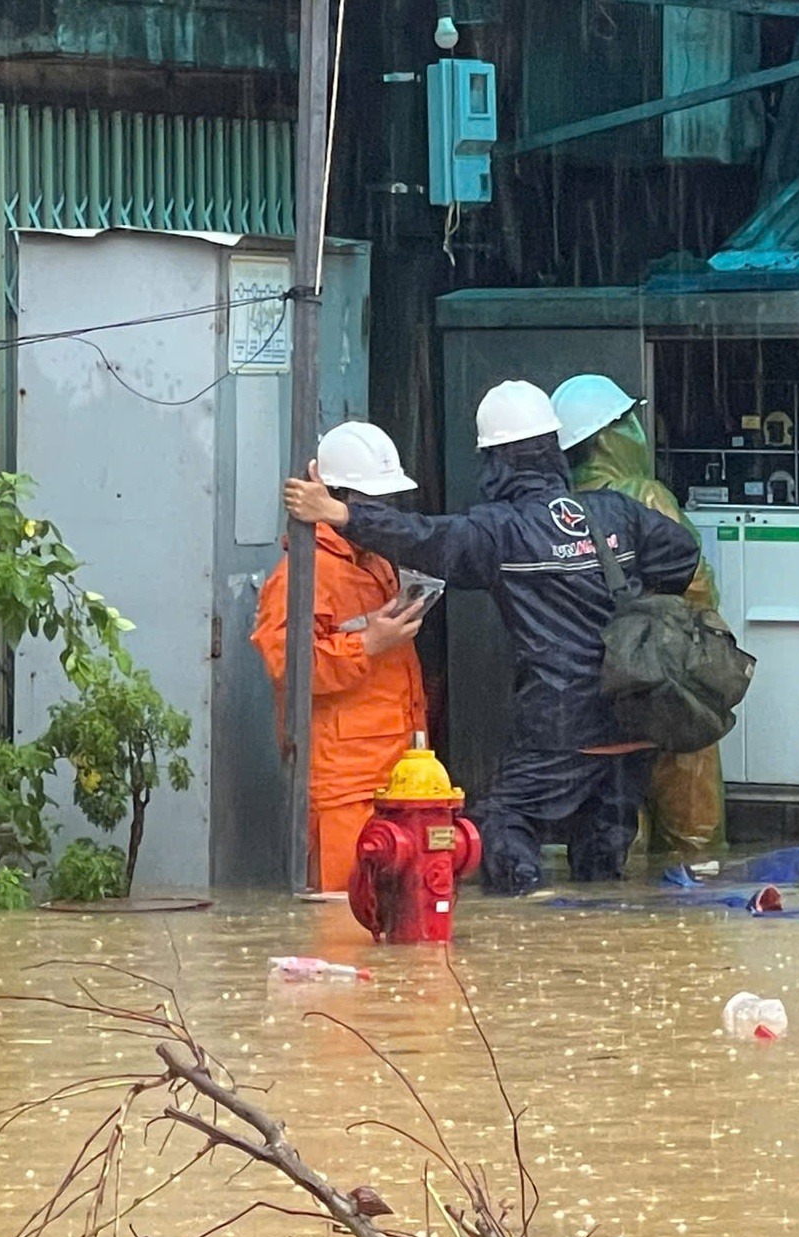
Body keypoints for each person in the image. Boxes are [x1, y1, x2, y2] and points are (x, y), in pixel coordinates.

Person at [283, 379, 702, 894]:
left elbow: (424, 538)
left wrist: (341, 514)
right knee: (603, 856)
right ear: (553, 448)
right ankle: (598, 958)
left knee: (502, 825)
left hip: (562, 721)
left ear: (496, 462)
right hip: (636, 713)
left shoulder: (501, 530)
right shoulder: (615, 512)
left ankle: (518, 948)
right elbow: (682, 552)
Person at [251, 422, 431, 894]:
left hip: (398, 776)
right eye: (372, 502)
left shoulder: (375, 562)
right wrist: (369, 643)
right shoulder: (303, 574)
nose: (382, 512)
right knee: (343, 933)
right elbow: (289, 666)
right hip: (343, 790)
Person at [551, 374, 727, 854]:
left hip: (589, 684)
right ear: (611, 434)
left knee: (615, 826)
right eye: (629, 420)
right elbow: (698, 584)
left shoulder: (552, 508)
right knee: (691, 830)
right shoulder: (643, 494)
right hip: (663, 677)